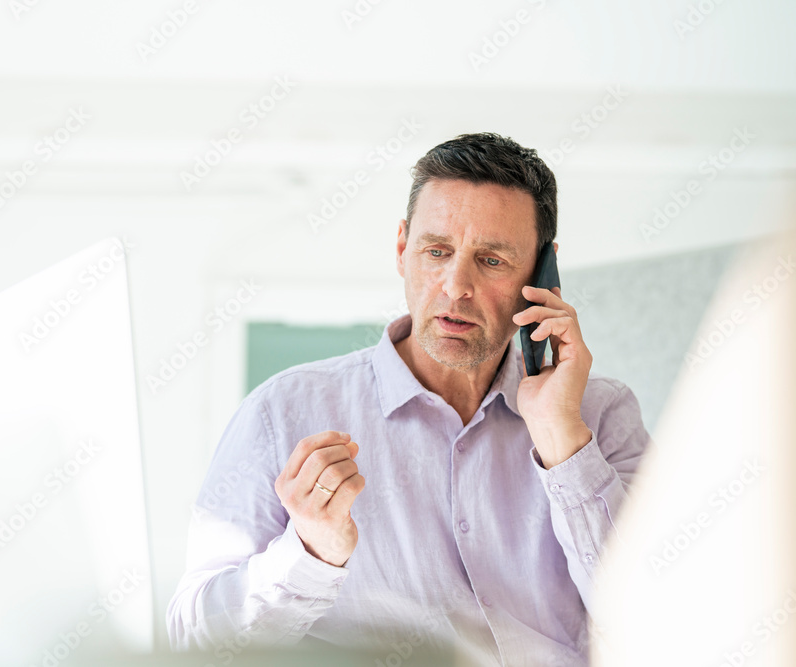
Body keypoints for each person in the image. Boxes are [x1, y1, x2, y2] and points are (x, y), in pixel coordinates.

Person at [166, 132, 652, 666]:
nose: (455, 286)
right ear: (402, 249)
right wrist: (309, 553)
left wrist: (563, 440)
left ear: (542, 272)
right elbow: (196, 645)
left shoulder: (600, 415)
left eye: (491, 260)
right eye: (436, 252)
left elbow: (657, 618)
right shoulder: (281, 413)